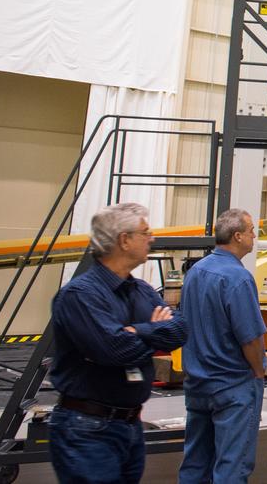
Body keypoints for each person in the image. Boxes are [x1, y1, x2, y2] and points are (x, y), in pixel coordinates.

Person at [48, 202, 187, 484]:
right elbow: (114, 350)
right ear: (124, 240)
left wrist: (136, 331)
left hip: (129, 425)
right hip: (87, 429)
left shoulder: (141, 290)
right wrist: (154, 330)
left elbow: (180, 330)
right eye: (146, 232)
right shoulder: (80, 295)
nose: (153, 238)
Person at [178, 209, 267, 484]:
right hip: (231, 385)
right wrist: (258, 371)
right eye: (252, 230)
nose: (254, 236)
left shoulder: (195, 272)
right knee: (232, 466)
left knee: (195, 463)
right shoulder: (238, 278)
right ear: (238, 236)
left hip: (197, 382)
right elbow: (250, 337)